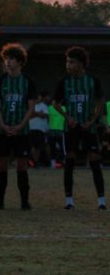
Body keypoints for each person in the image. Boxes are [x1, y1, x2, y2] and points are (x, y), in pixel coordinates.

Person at [52, 46, 105, 212]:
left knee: (94, 160)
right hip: (71, 127)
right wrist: (68, 117)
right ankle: (69, 200)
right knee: (70, 160)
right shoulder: (64, 82)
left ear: (81, 64)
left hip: (88, 127)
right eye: (67, 62)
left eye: (72, 62)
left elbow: (101, 100)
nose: (68, 65)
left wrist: (93, 120)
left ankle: (101, 201)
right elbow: (55, 103)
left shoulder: (92, 80)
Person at [0, 42, 37, 210]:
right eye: (5, 59)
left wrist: (20, 125)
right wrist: (2, 124)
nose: (8, 62)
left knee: (21, 165)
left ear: (20, 61)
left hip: (21, 130)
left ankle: (25, 201)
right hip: (3, 129)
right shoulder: (0, 81)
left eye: (11, 59)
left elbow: (31, 107)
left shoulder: (28, 82)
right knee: (2, 164)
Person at [28, 94, 50, 168]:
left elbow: (46, 115)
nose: (38, 99)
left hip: (40, 129)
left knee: (38, 146)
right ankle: (33, 161)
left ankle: (36, 161)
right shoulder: (30, 105)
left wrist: (34, 114)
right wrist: (38, 114)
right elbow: (28, 115)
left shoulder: (44, 106)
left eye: (39, 97)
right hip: (31, 128)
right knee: (32, 146)